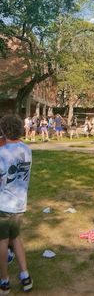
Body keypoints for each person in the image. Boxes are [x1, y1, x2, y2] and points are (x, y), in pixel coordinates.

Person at [0, 115, 33, 294]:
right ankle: (25, 276)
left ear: (4, 130)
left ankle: (4, 281)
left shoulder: (2, 152)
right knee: (16, 238)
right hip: (19, 204)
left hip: (3, 205)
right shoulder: (27, 149)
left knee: (2, 242)